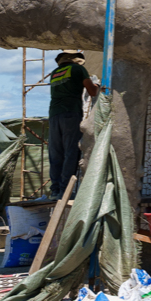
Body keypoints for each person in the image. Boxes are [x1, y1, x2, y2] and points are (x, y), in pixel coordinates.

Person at [49, 50, 98, 198]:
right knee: (71, 151)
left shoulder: (54, 72)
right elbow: (92, 91)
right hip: (71, 113)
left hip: (54, 114)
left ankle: (55, 190)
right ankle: (65, 191)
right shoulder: (78, 69)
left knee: (56, 153)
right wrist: (98, 86)